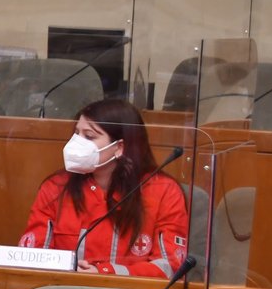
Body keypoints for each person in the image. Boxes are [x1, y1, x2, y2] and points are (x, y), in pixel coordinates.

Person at [20, 97, 189, 277]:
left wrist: (107, 273)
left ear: (119, 147)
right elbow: (32, 258)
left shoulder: (163, 191)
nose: (77, 143)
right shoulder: (56, 187)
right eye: (76, 133)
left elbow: (171, 266)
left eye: (89, 136)